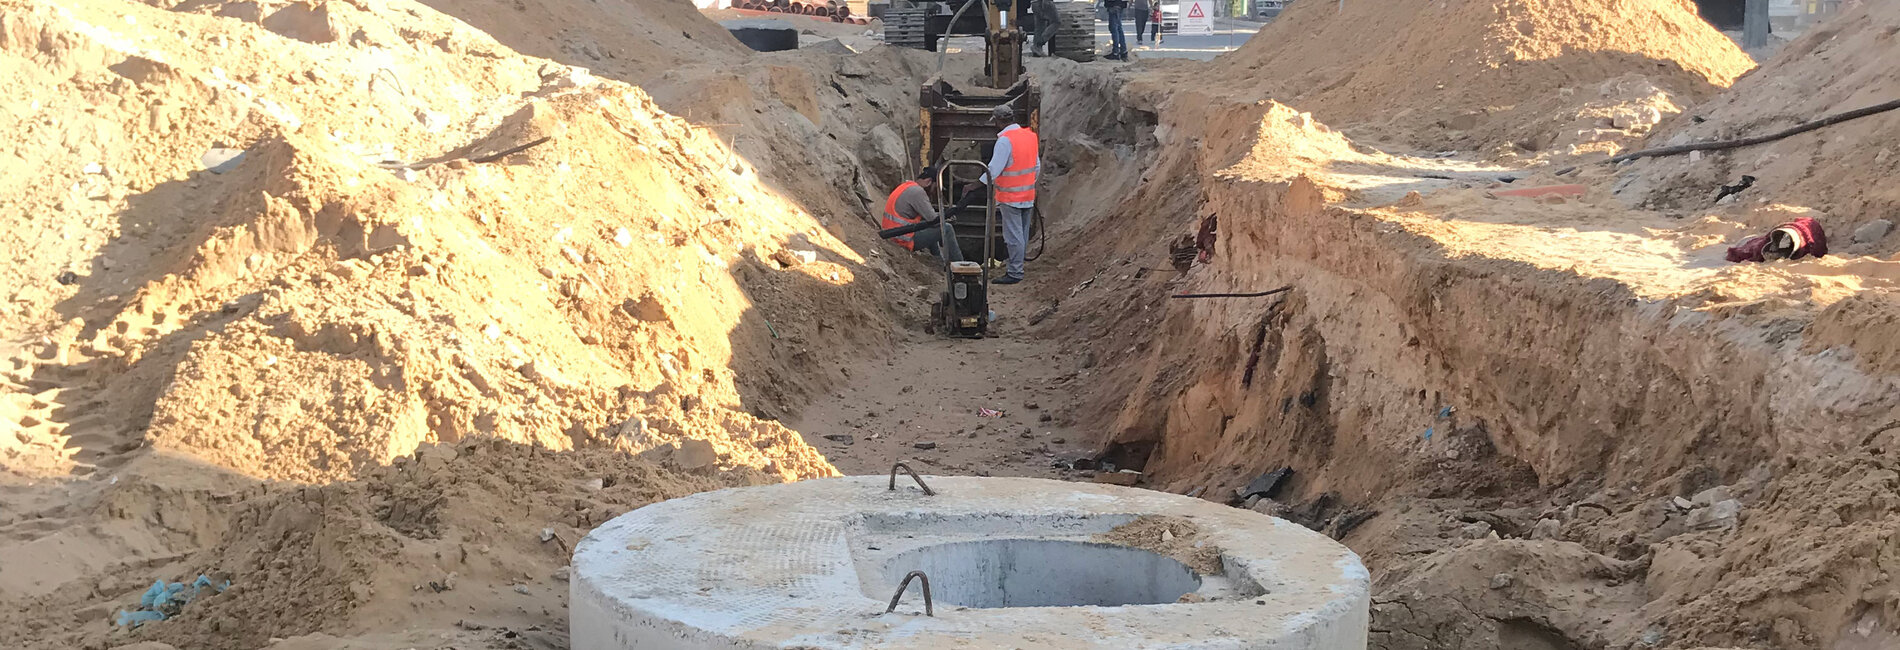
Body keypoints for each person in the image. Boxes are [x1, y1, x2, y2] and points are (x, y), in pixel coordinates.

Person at [976, 104, 1038, 284]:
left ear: (999, 121)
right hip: (1027, 195)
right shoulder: (1030, 136)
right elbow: (1037, 166)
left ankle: (1015, 272)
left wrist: (975, 185)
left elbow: (993, 169)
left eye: (995, 121)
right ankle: (1017, 264)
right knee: (1022, 235)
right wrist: (1028, 184)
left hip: (1010, 197)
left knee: (1013, 236)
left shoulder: (1004, 141)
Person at [881, 169, 963, 261]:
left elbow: (929, 218)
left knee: (928, 225)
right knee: (947, 228)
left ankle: (937, 259)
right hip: (903, 238)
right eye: (935, 188)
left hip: (893, 234)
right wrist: (947, 217)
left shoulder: (906, 186)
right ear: (928, 182)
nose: (933, 192)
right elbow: (933, 220)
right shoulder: (918, 192)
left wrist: (942, 216)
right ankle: (961, 266)